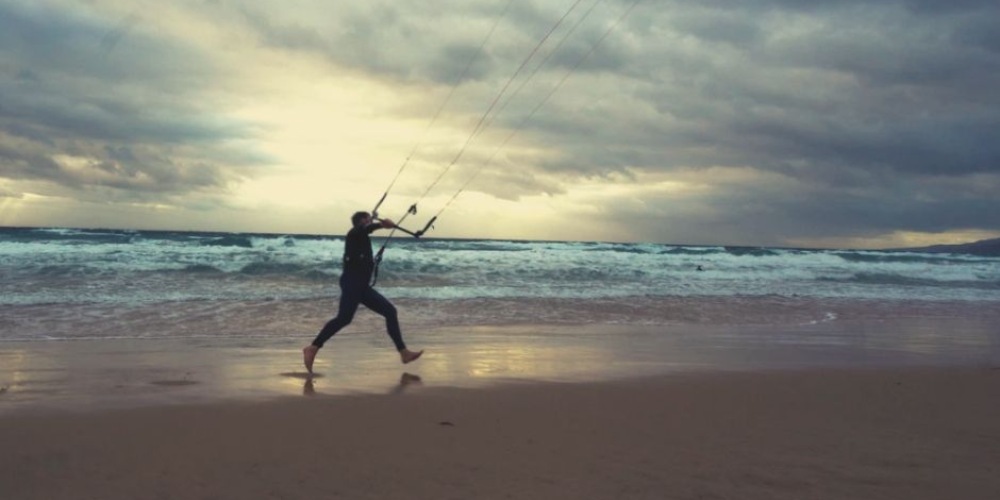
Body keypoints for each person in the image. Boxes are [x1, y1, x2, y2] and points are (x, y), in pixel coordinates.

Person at [303, 211, 423, 373]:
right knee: (344, 318)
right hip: (352, 283)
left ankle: (404, 353)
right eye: (368, 220)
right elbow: (363, 229)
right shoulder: (354, 233)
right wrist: (381, 224)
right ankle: (313, 347)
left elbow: (366, 232)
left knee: (389, 311)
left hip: (361, 286)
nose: (371, 222)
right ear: (361, 221)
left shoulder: (362, 240)